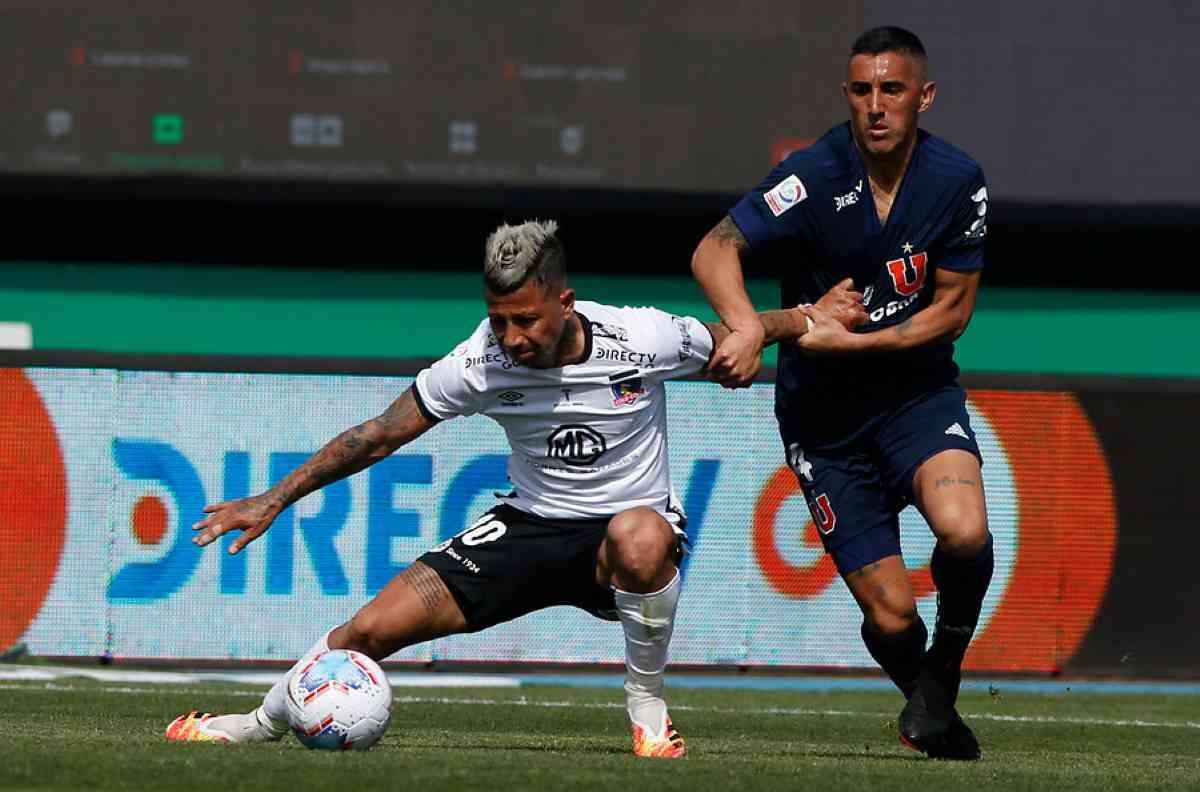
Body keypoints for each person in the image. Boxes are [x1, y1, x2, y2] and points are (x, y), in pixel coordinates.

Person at [165, 219, 865, 758]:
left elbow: (738, 335)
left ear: (564, 301)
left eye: (525, 319)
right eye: (499, 319)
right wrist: (274, 498)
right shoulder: (479, 361)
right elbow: (379, 434)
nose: (512, 336)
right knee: (370, 629)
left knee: (641, 532)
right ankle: (258, 724)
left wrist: (804, 319)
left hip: (622, 534)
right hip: (527, 529)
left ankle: (646, 707)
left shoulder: (642, 337)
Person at [690, 26, 993, 760]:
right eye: (862, 91)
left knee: (965, 531)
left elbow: (951, 312)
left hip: (917, 398)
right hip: (823, 421)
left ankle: (941, 681)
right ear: (847, 97)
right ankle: (932, 707)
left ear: (924, 97)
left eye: (892, 90)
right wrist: (747, 328)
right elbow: (715, 247)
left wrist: (857, 342)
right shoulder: (815, 172)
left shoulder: (957, 180)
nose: (876, 106)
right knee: (892, 619)